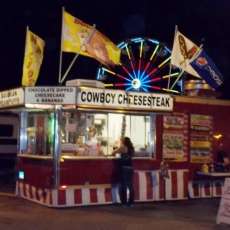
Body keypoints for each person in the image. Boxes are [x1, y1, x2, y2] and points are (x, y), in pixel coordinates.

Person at [112, 137, 134, 206]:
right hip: (130, 167)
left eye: (121, 141)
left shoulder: (123, 147)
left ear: (123, 141)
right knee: (130, 186)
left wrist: (116, 147)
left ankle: (124, 202)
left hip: (123, 167)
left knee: (123, 185)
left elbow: (113, 152)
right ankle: (131, 202)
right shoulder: (131, 148)